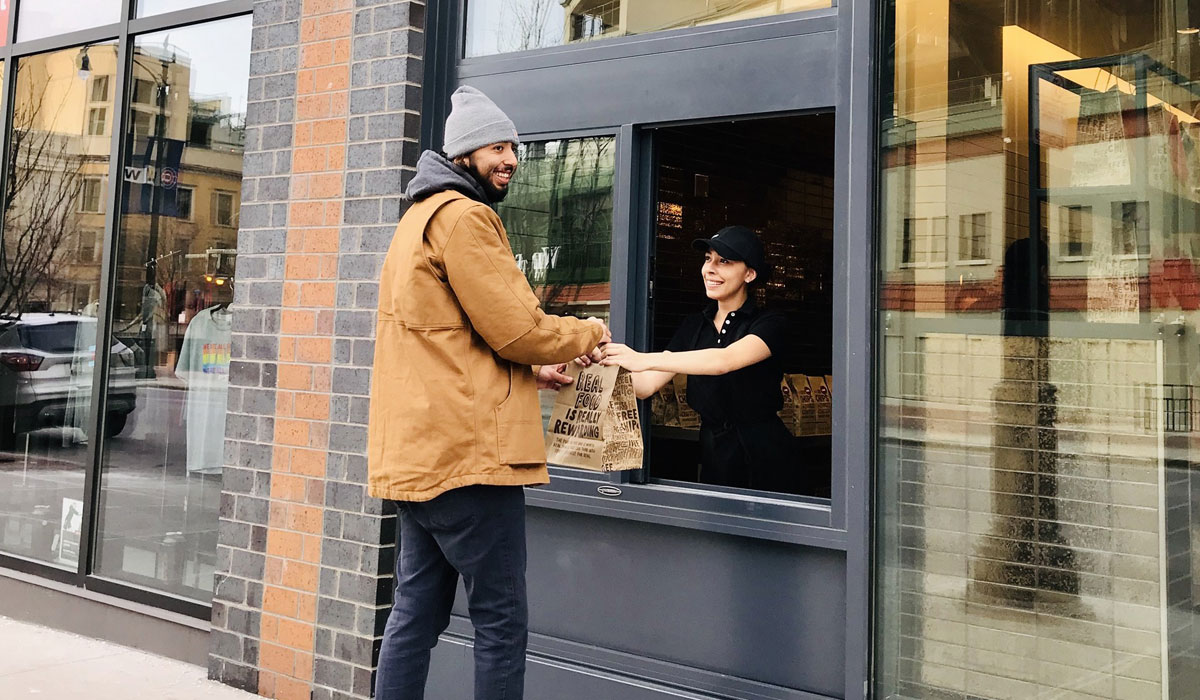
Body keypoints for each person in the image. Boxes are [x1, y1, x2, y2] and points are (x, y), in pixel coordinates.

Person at [368, 85, 609, 700]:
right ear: (466, 153)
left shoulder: (416, 220)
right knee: (501, 622)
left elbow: (448, 344)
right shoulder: (466, 218)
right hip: (471, 462)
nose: (511, 158)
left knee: (414, 615)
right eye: (498, 146)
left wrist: (532, 376)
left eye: (514, 147)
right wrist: (590, 330)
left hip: (422, 455)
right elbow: (518, 328)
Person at [599, 225, 793, 491]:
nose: (709, 269)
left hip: (765, 451)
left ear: (749, 274)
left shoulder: (770, 322)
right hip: (715, 451)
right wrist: (599, 359)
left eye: (724, 261)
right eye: (707, 259)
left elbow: (724, 361)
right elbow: (645, 387)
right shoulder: (693, 326)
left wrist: (643, 358)